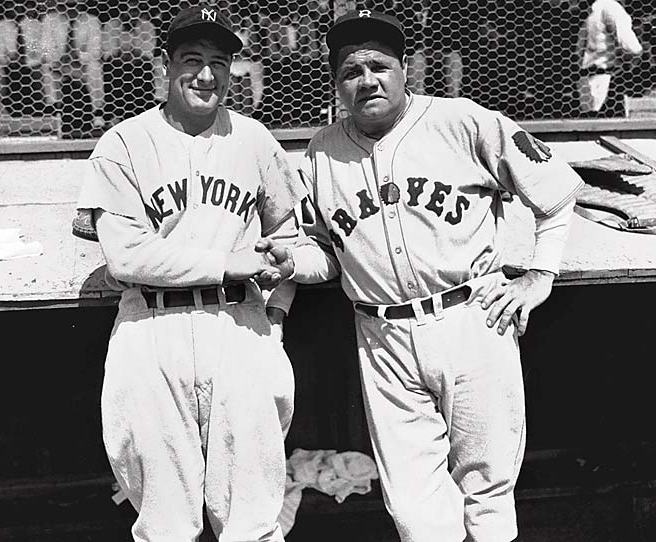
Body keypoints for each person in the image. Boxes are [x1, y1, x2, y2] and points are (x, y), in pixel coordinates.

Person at [258, 10, 584, 542]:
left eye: (379, 65)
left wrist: (539, 276)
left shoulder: (463, 121)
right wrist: (292, 263)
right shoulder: (321, 152)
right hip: (382, 335)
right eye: (350, 71)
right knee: (413, 511)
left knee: (488, 496)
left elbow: (556, 195)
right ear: (337, 83)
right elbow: (326, 254)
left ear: (405, 67)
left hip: (472, 319)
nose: (367, 80)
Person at [75, 5, 305, 541]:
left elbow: (292, 240)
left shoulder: (254, 140)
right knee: (164, 523)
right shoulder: (123, 144)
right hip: (151, 330)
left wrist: (276, 317)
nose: (206, 75)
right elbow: (127, 258)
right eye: (192, 60)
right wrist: (227, 260)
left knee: (252, 517)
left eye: (219, 63)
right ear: (165, 64)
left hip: (240, 324)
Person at [576, 0, 643, 117]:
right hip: (607, 82)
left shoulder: (592, 9)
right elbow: (630, 46)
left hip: (588, 80)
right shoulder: (611, 7)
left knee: (588, 126)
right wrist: (642, 53)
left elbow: (579, 49)